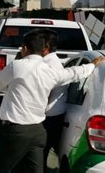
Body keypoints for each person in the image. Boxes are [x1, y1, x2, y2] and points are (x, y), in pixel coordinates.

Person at [0, 29, 105, 173]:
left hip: (15, 131)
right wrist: (91, 65)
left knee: (2, 169)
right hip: (38, 131)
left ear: (25, 48)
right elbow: (74, 73)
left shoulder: (17, 66)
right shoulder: (51, 71)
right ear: (43, 48)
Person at [40, 29, 66, 171]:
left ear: (46, 46)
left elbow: (45, 92)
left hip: (49, 116)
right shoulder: (54, 61)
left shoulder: (48, 65)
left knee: (42, 155)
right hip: (53, 115)